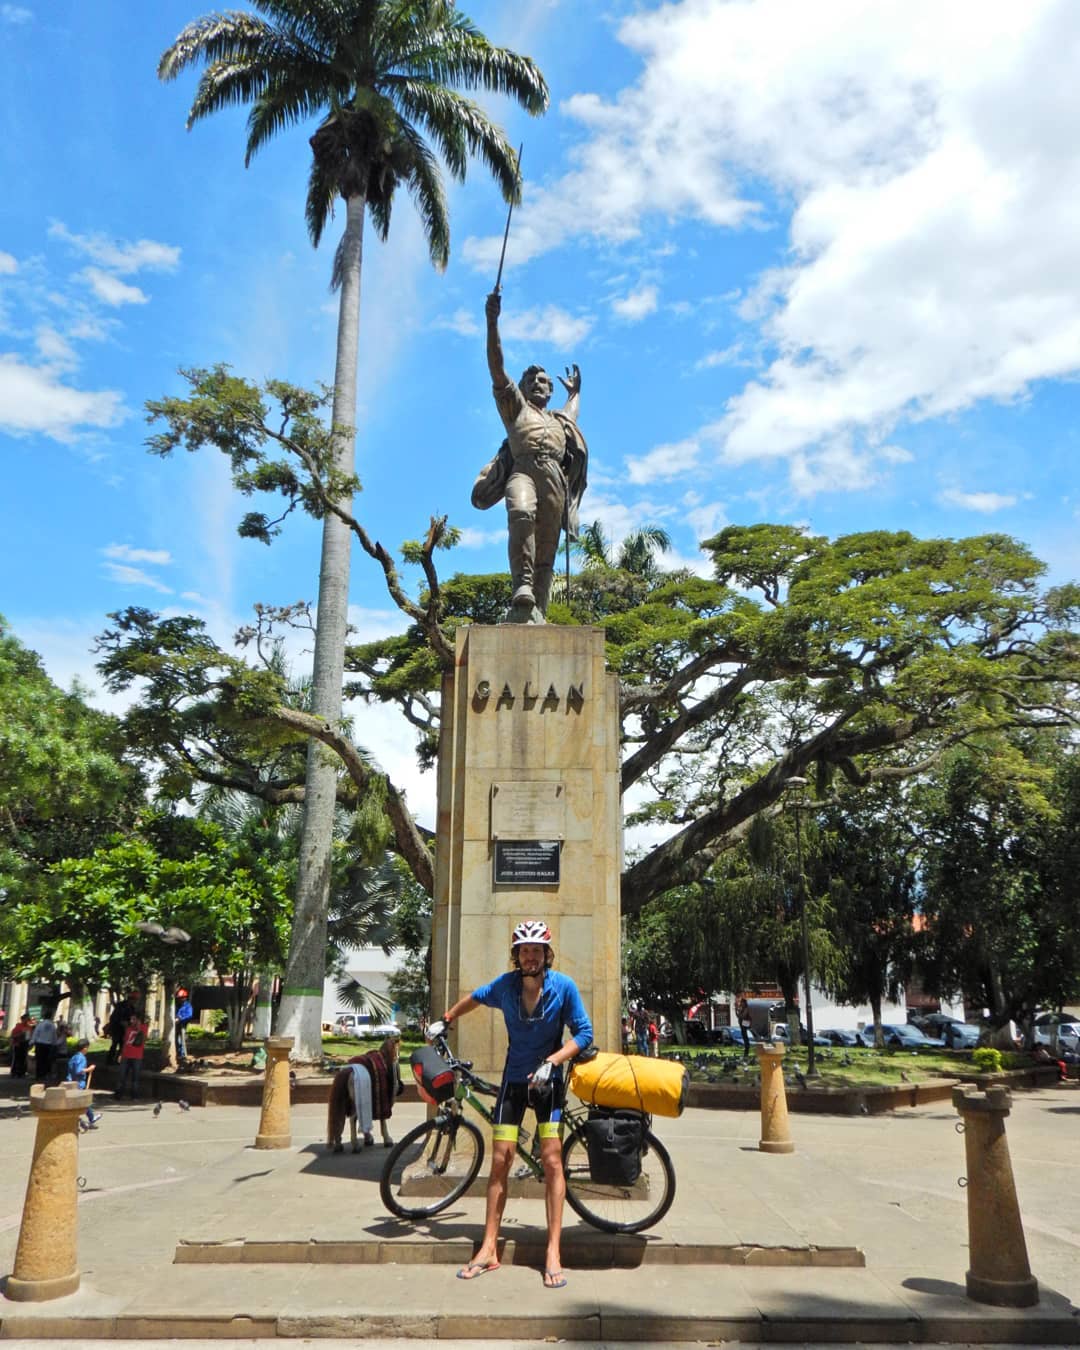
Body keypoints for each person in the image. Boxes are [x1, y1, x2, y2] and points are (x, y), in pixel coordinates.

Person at [441, 919, 592, 1290]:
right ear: (516, 955)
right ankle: (489, 1247)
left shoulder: (564, 987)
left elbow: (585, 1034)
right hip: (514, 1084)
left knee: (553, 1158)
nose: (530, 957)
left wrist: (553, 1061)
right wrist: (445, 1019)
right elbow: (475, 998)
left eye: (536, 950)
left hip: (549, 1086)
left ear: (546, 954)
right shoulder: (505, 987)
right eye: (524, 950)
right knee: (500, 1159)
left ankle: (553, 1251)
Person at [472, 291, 589, 622]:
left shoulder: (559, 421)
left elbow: (572, 410)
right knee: (521, 513)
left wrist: (576, 393)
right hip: (523, 471)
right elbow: (497, 366)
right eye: (532, 380)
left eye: (544, 382)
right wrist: (492, 322)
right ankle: (521, 587)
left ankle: (536, 609)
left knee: (547, 548)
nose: (539, 384)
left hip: (555, 479)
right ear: (522, 387)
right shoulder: (515, 409)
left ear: (550, 391)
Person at [66, 1039, 103, 1130]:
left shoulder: (74, 1057)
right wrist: (89, 1069)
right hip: (78, 1083)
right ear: (85, 1048)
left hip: (70, 1082)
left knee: (79, 1102)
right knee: (82, 1101)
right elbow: (79, 1070)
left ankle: (87, 1118)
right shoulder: (81, 1058)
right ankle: (82, 1119)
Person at [117, 1013, 148, 1099]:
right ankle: (119, 1094)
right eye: (131, 1019)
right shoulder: (128, 1029)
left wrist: (138, 1028)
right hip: (126, 1055)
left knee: (135, 1078)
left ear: (138, 1020)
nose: (131, 1021)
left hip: (137, 1056)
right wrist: (121, 1054)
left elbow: (143, 1039)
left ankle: (134, 1096)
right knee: (122, 1076)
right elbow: (125, 1043)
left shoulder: (144, 1027)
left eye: (133, 1019)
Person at [106, 991, 136, 1065]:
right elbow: (114, 1017)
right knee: (114, 1044)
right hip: (117, 1028)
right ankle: (109, 1060)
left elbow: (132, 1017)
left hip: (125, 1030)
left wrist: (131, 1023)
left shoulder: (132, 1008)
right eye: (133, 1000)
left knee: (123, 1045)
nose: (134, 1002)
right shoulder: (121, 1006)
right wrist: (120, 1022)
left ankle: (117, 1060)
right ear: (130, 1000)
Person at [29, 1007, 59, 1082]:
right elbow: (54, 1036)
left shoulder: (40, 1024)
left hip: (39, 1044)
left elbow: (36, 1033)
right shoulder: (52, 1025)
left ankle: (38, 1075)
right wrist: (55, 1044)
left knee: (39, 1060)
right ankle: (45, 1075)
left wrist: (32, 1042)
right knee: (47, 1061)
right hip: (48, 1046)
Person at [10, 1011, 33, 1078]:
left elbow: (30, 1036)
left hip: (25, 1044)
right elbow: (13, 1036)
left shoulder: (29, 1027)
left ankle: (22, 1072)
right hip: (18, 1044)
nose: (27, 1021)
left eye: (28, 1019)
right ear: (23, 1019)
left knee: (23, 1059)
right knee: (17, 1059)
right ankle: (14, 1072)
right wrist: (20, 1034)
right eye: (26, 1019)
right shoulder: (18, 1026)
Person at [175, 988, 194, 1062]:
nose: (180, 999)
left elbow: (189, 1015)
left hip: (182, 1024)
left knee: (181, 1040)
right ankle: (178, 1053)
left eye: (182, 998)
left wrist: (180, 1019)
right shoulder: (178, 1005)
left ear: (185, 997)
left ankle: (182, 1055)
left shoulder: (187, 1006)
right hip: (176, 1024)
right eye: (180, 998)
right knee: (177, 1040)